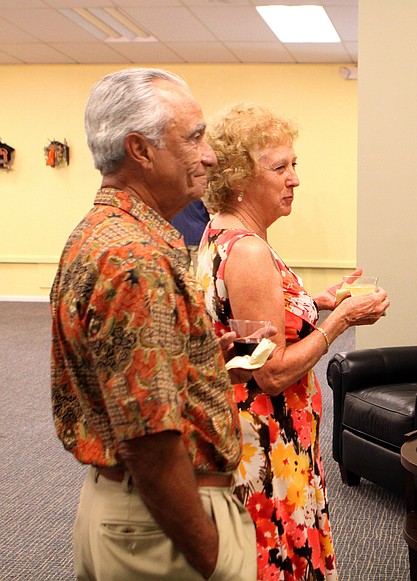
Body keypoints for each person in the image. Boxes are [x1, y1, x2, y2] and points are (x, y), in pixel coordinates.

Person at [50, 68, 257, 581]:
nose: (209, 155)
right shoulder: (136, 260)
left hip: (129, 514)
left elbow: (120, 385)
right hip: (161, 531)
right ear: (139, 150)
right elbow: (150, 442)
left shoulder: (101, 232)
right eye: (194, 137)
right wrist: (213, 558)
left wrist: (203, 362)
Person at [197, 103, 390, 580]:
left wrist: (315, 302)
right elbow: (273, 371)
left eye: (294, 165)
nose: (294, 179)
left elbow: (246, 328)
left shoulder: (222, 234)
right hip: (266, 441)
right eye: (280, 167)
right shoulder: (249, 252)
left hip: (249, 434)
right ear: (241, 179)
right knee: (278, 559)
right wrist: (339, 320)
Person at [171, 199, 211, 267]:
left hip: (177, 234)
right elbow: (212, 209)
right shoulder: (199, 190)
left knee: (181, 274)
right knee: (200, 273)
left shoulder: (169, 191)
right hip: (198, 234)